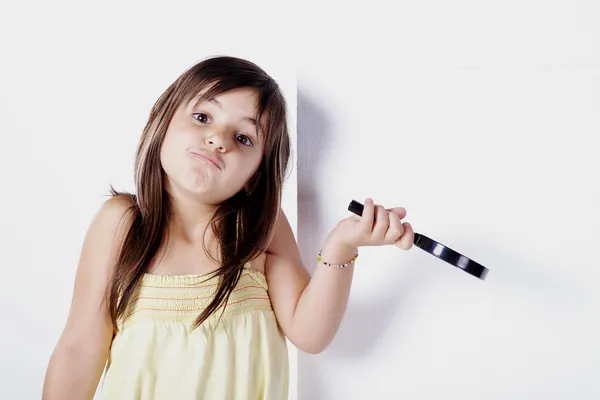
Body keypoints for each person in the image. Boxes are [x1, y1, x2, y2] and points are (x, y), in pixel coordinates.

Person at [41, 55, 414, 399]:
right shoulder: (122, 223)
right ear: (163, 120)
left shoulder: (259, 229)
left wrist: (342, 246)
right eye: (203, 118)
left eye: (243, 138)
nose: (218, 140)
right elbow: (80, 349)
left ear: (256, 174)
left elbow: (310, 332)